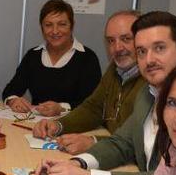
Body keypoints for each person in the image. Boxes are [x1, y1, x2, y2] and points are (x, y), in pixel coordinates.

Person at [34, 11, 176, 175]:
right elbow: (121, 144)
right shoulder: (148, 94)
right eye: (142, 51)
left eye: (159, 48)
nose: (149, 60)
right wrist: (77, 163)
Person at [33, 10, 146, 154]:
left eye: (126, 39)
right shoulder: (115, 69)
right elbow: (93, 108)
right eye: (111, 41)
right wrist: (58, 125)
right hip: (114, 154)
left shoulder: (154, 82)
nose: (117, 48)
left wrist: (94, 142)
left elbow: (140, 141)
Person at [2, 0, 101, 116]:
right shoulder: (33, 55)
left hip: (73, 126)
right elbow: (10, 90)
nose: (55, 31)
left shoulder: (87, 58)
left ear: (72, 25)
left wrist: (62, 108)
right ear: (42, 28)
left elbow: (93, 103)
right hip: (35, 125)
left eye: (62, 24)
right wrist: (13, 100)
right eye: (48, 25)